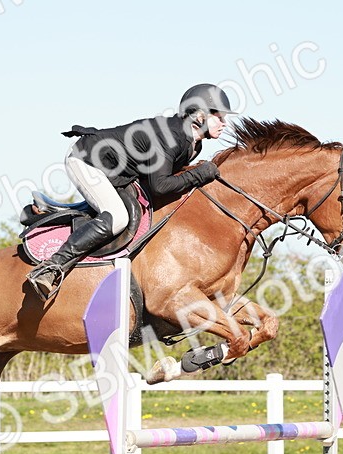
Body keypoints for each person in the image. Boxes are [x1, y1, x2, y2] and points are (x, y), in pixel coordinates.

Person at [25, 83, 234, 300]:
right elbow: (160, 186)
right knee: (117, 217)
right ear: (200, 115)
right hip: (87, 160)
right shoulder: (172, 136)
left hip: (120, 172)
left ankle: (54, 211)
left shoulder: (192, 144)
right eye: (219, 117)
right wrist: (200, 174)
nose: (224, 123)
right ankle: (51, 268)